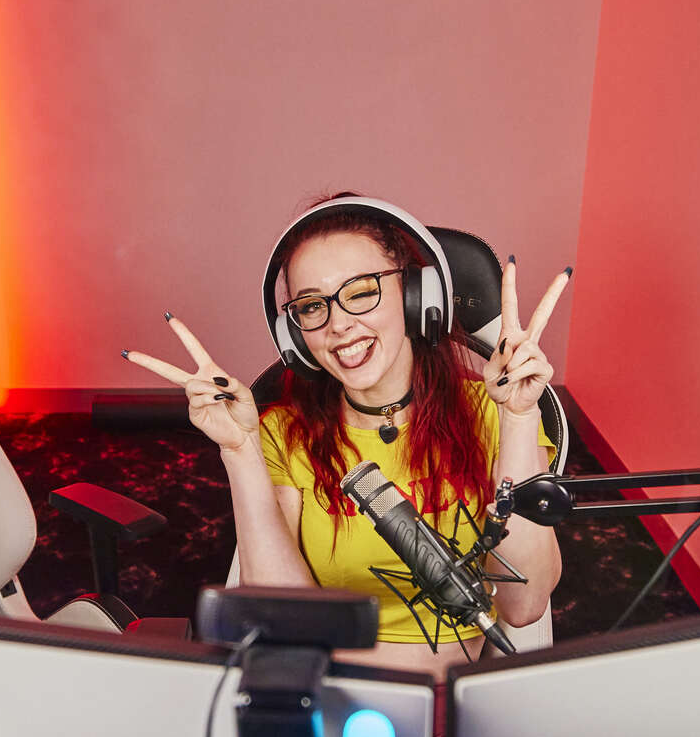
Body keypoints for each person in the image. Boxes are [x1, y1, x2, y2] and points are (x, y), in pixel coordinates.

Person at [124, 195, 567, 682]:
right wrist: (239, 450)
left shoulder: (491, 415)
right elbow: (282, 611)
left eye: (360, 292)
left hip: (437, 704)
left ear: (417, 295)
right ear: (295, 335)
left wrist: (521, 419)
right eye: (312, 306)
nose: (338, 325)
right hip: (322, 690)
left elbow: (523, 606)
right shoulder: (282, 431)